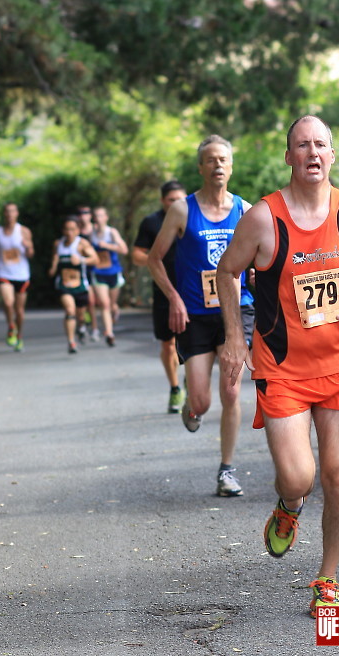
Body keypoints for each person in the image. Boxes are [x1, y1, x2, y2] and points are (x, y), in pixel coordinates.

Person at [217, 115, 339, 615]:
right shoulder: (262, 218)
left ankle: (327, 578)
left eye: (321, 144)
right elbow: (227, 270)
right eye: (302, 145)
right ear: (289, 157)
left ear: (332, 155)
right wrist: (235, 335)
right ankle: (289, 505)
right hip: (282, 368)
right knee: (299, 476)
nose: (313, 153)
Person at [148, 135, 255, 498]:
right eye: (210, 160)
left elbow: (262, 255)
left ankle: (227, 470)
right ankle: (191, 412)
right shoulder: (181, 210)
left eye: (223, 159)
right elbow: (154, 259)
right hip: (194, 313)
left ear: (231, 165)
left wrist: (256, 271)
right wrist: (175, 298)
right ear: (200, 167)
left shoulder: (245, 209)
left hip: (236, 312)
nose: (218, 165)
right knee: (201, 401)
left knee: (231, 390)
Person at [132, 180, 187, 413]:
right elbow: (136, 255)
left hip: (193, 290)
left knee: (191, 344)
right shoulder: (151, 222)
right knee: (168, 344)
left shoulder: (194, 216)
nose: (176, 204)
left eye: (180, 199)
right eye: (171, 200)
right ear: (162, 201)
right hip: (164, 291)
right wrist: (156, 262)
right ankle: (175, 388)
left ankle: (192, 380)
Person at [48, 216, 99, 353]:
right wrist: (53, 268)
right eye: (67, 229)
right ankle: (71, 342)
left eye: (72, 229)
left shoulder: (82, 244)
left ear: (77, 230)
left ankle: (81, 327)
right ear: (63, 230)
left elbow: (95, 259)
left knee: (80, 315)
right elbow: (55, 258)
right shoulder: (58, 244)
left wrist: (81, 260)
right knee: (70, 310)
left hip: (80, 285)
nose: (69, 232)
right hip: (64, 285)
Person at [0, 202, 35, 352]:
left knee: (19, 310)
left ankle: (19, 336)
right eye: (7, 212)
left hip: (21, 274)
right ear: (4, 214)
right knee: (8, 303)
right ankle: (11, 326)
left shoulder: (24, 231)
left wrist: (27, 246)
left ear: (17, 213)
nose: (9, 214)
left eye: (12, 211)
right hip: (4, 272)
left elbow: (31, 254)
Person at [90, 206, 129, 347]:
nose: (98, 219)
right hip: (98, 273)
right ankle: (109, 333)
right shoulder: (91, 233)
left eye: (101, 215)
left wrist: (107, 245)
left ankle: (115, 310)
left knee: (111, 304)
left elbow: (124, 250)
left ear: (106, 217)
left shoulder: (111, 232)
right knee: (104, 304)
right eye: (96, 216)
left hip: (113, 272)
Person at [76, 205, 100, 342]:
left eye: (85, 212)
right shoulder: (75, 231)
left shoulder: (96, 230)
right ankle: (82, 326)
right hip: (80, 270)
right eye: (80, 213)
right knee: (85, 301)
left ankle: (95, 329)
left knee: (93, 302)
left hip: (96, 268)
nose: (83, 215)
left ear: (90, 215)